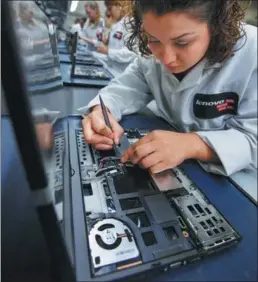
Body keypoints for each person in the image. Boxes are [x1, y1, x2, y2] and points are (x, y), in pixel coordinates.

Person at [80, 0, 257, 177]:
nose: (167, 58)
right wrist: (102, 113)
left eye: (182, 43)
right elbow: (124, 88)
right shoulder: (150, 55)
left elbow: (253, 140)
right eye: (153, 39)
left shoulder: (251, 51)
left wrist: (192, 145)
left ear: (217, 25)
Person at [93, 0, 137, 77]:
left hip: (121, 74)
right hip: (111, 71)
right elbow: (115, 45)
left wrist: (108, 51)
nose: (108, 13)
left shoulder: (130, 23)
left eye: (110, 9)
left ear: (119, 6)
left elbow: (131, 53)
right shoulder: (117, 24)